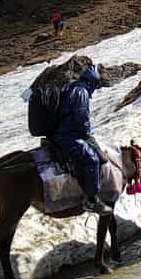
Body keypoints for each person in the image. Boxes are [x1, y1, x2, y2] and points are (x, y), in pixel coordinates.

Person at [50, 66, 111, 215]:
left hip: (58, 132)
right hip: (68, 135)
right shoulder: (81, 92)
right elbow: (81, 117)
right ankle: (91, 200)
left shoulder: (70, 87)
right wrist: (88, 135)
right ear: (93, 82)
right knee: (92, 159)